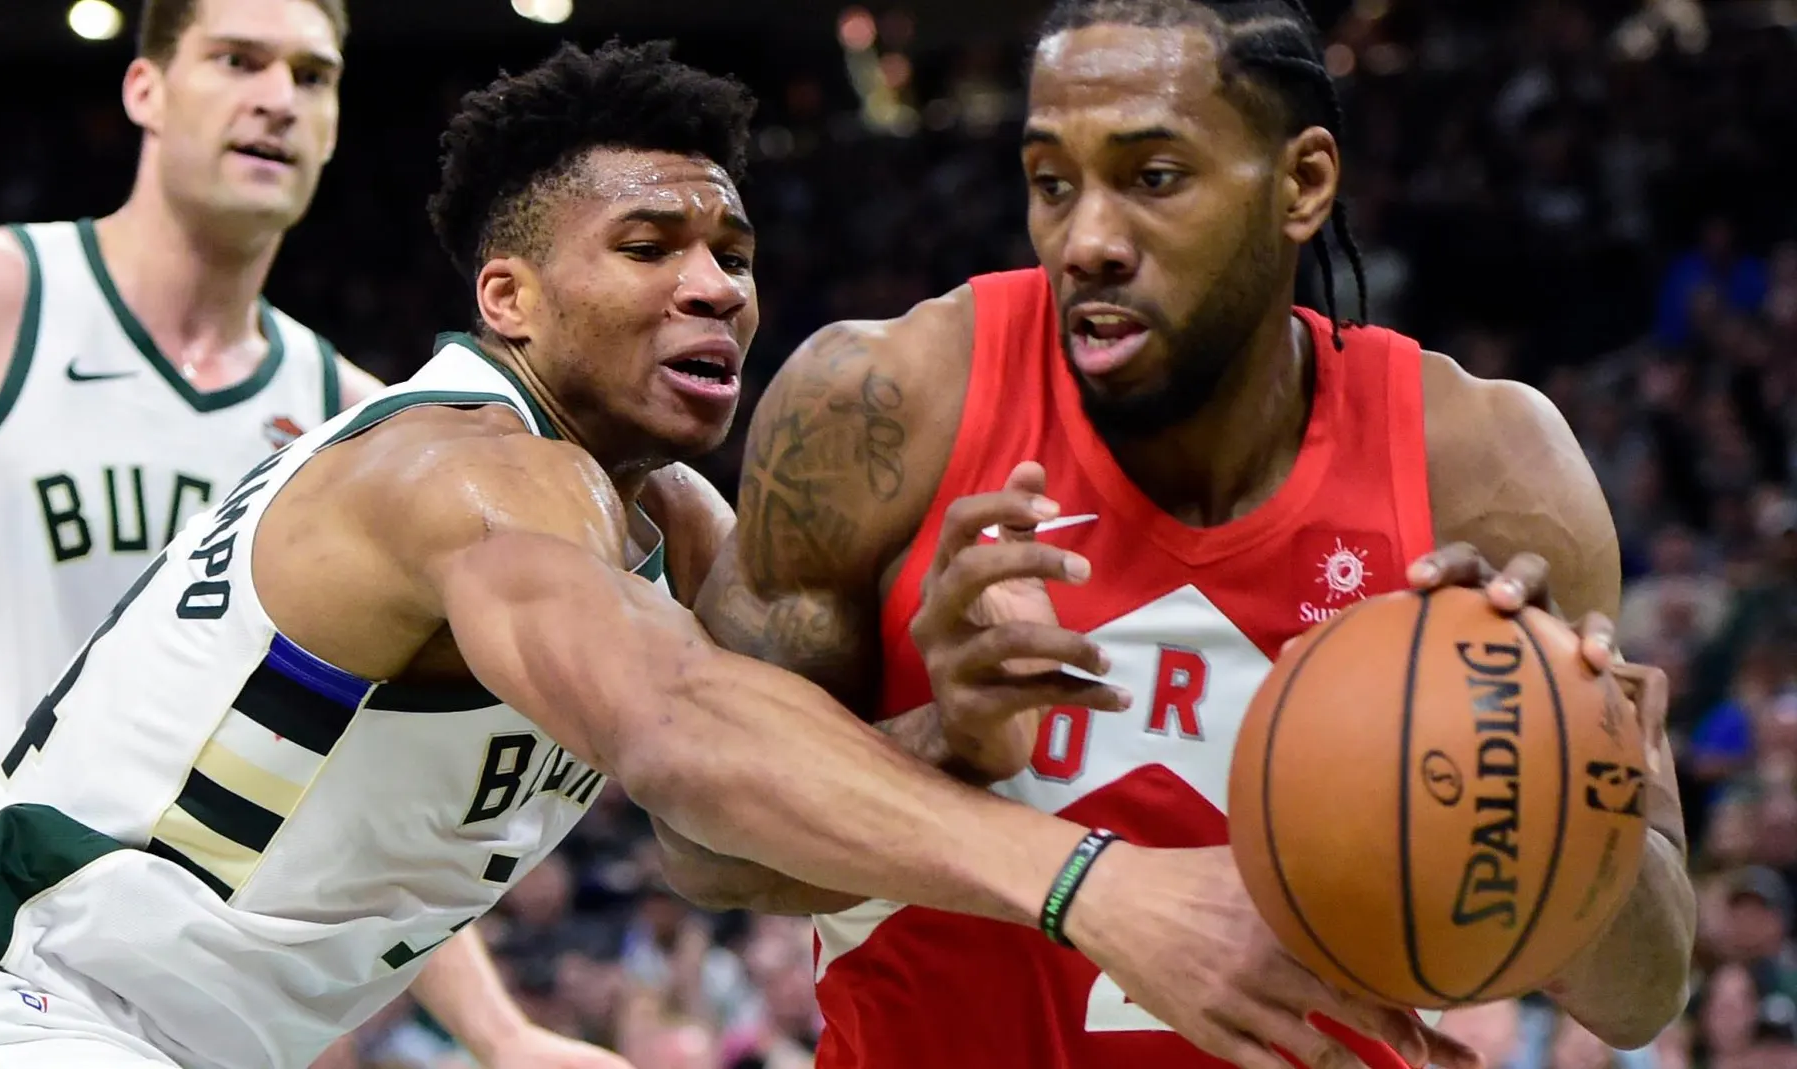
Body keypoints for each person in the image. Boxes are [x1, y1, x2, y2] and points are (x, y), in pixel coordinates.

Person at [0, 39, 1462, 1069]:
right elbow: (679, 736)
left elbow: (743, 843)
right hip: (11, 1014)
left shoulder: (673, 524)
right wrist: (1101, 890)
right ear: (506, 298)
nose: (716, 286)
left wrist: (946, 731)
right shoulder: (459, 472)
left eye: (733, 252)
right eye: (648, 248)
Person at [678, 1, 1698, 1067]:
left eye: (1153, 177)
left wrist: (1562, 775)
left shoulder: (1488, 470)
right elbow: (700, 845)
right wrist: (947, 742)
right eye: (1051, 184)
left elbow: (1642, 991)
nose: (1088, 242)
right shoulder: (879, 406)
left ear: (1301, 184)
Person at [0, 1, 614, 1065]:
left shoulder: (363, 425)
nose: (278, 98)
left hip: (100, 998)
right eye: (238, 61)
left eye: (312, 76)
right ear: (145, 88)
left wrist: (500, 1033)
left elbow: (358, 791)